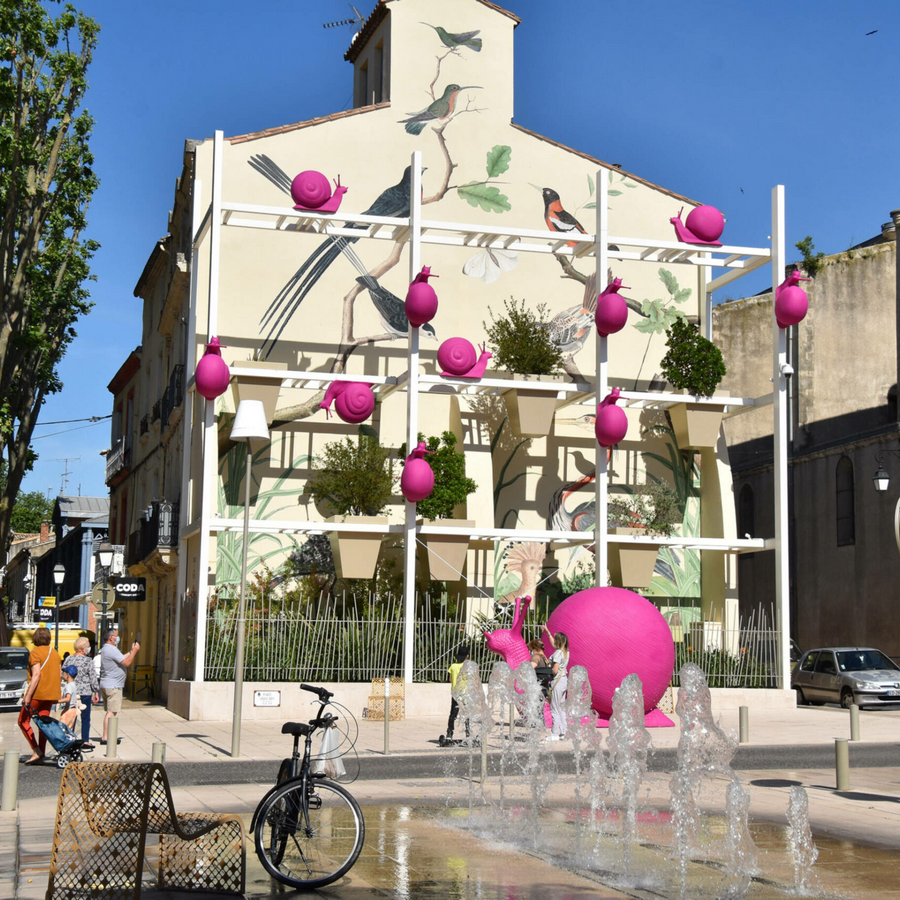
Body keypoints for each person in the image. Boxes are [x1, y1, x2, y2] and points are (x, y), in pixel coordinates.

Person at [19, 627, 62, 764]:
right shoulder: (55, 653)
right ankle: (41, 752)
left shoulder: (35, 652)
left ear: (35, 638)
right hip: (50, 694)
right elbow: (59, 675)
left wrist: (28, 696)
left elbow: (36, 675)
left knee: (23, 721)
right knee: (43, 724)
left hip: (38, 694)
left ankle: (36, 749)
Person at [99, 628, 140, 745]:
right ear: (111, 638)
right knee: (111, 712)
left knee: (110, 711)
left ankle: (107, 736)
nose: (117, 638)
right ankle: (106, 737)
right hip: (113, 685)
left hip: (107, 684)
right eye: (116, 636)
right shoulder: (111, 649)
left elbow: (121, 657)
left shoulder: (107, 649)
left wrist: (131, 651)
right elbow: (127, 663)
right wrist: (135, 651)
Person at [69, 637, 100, 749]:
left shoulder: (69, 659)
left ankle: (70, 739)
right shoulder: (88, 661)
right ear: (83, 649)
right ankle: (85, 740)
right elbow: (93, 678)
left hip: (72, 692)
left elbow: (63, 674)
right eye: (87, 646)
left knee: (72, 716)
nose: (88, 649)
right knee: (85, 717)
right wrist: (96, 691)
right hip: (85, 692)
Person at [543, 626, 569, 741]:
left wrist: (548, 665)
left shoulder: (558, 654)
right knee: (561, 708)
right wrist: (548, 631)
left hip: (557, 681)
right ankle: (564, 732)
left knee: (554, 708)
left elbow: (555, 670)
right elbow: (554, 645)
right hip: (564, 681)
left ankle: (554, 733)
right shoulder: (566, 652)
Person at [442, 645, 470, 744]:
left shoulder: (453, 666)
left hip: (455, 693)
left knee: (453, 714)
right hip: (466, 694)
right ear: (467, 656)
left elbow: (450, 679)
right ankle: (468, 734)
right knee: (467, 715)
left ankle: (449, 734)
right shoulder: (468, 667)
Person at [57, 665, 81, 731]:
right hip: (73, 710)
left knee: (61, 729)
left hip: (69, 710)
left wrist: (57, 701)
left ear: (67, 675)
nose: (62, 675)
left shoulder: (68, 686)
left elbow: (68, 698)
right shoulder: (73, 684)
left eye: (63, 673)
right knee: (68, 730)